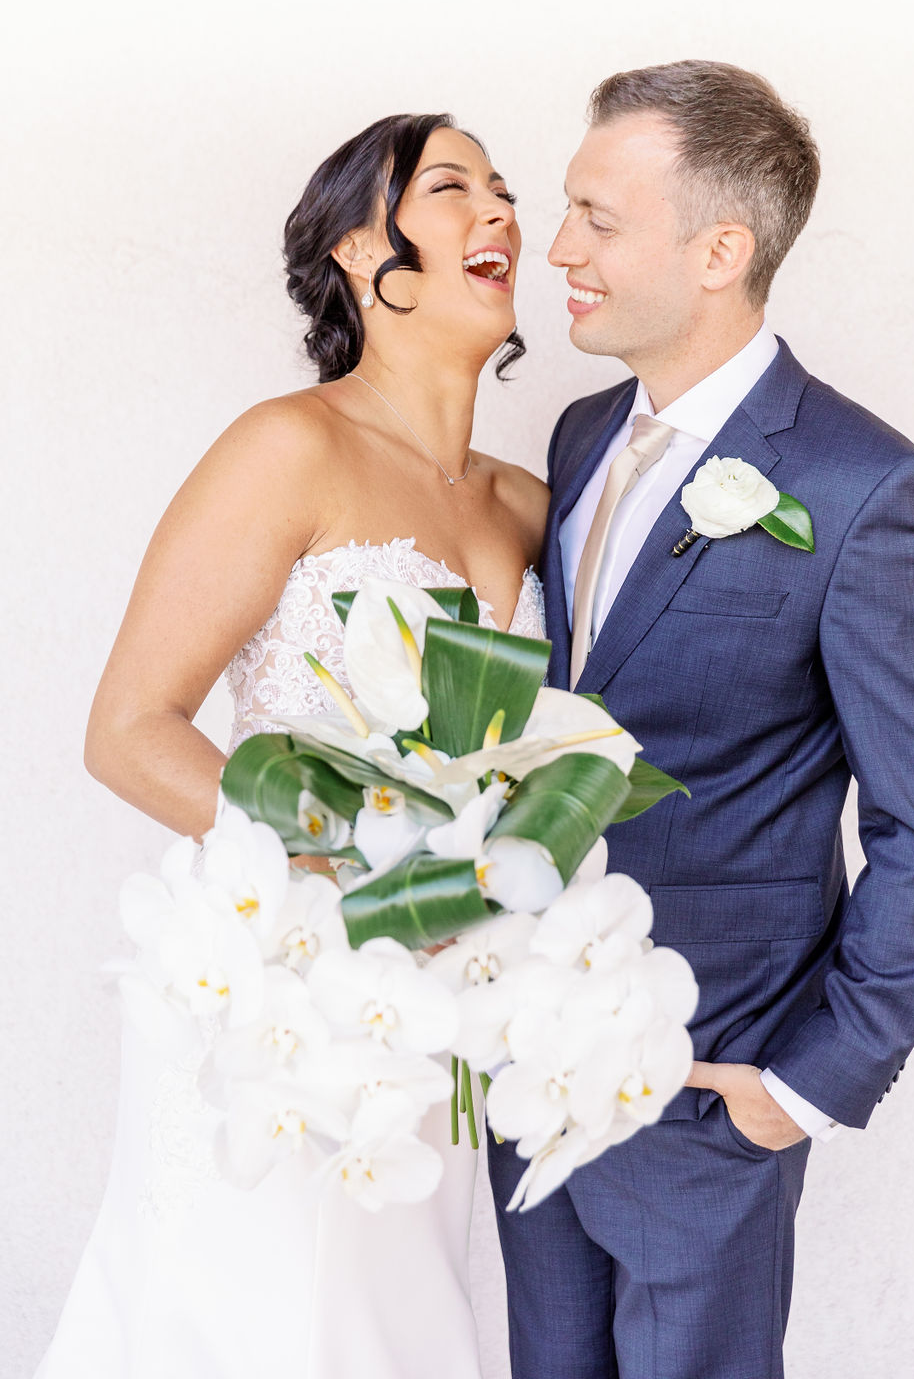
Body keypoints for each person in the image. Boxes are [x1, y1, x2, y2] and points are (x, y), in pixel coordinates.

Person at [489, 60, 914, 1379]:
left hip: (711, 1090)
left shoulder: (869, 491)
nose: (558, 249)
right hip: (533, 1070)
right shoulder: (584, 435)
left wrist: (799, 1089)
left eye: (599, 218)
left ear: (721, 249)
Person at [36, 113, 547, 1379]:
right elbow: (128, 731)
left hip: (443, 1002)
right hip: (282, 987)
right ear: (359, 249)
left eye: (503, 192)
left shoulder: (528, 505)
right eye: (451, 188)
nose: (499, 214)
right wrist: (352, 874)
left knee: (403, 1327)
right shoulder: (288, 447)